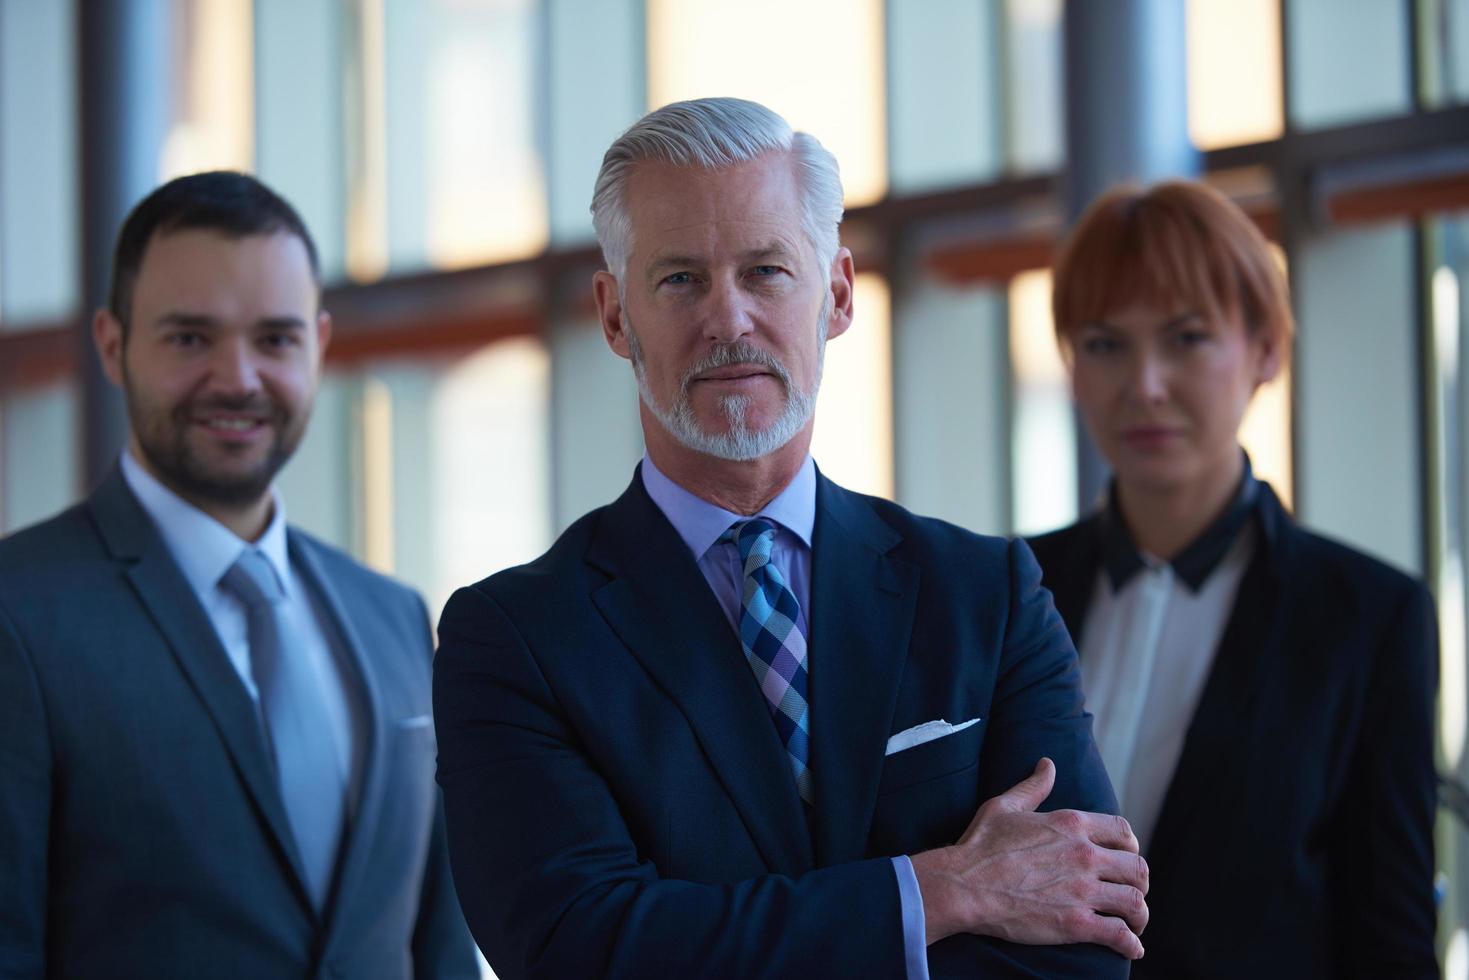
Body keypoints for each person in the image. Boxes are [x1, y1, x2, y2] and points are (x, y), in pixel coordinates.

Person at [433, 97, 1148, 980]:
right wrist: (936, 894)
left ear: (837, 293)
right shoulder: (514, 639)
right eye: (680, 280)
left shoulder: (986, 595)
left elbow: (1086, 941)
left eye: (766, 271)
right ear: (616, 317)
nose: (727, 320)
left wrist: (711, 933)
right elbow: (580, 948)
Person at [0, 172, 478, 979]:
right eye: (190, 338)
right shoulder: (20, 616)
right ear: (113, 346)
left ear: (319, 346)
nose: (238, 378)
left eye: (275, 339)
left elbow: (438, 952)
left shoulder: (393, 617)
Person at [1027, 180, 1438, 978]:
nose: (1144, 384)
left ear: (1265, 350)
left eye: (1185, 338)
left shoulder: (1365, 618)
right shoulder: (1006, 588)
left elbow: (1387, 932)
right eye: (1105, 344)